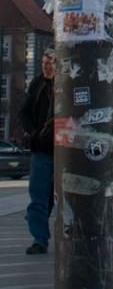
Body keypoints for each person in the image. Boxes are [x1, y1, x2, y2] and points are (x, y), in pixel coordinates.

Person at [22, 49, 55, 256]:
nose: (46, 66)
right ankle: (39, 238)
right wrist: (34, 133)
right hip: (42, 148)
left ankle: (43, 232)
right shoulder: (37, 84)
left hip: (63, 147)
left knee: (50, 196)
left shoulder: (65, 85)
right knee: (39, 195)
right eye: (44, 62)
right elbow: (25, 111)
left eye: (50, 62)